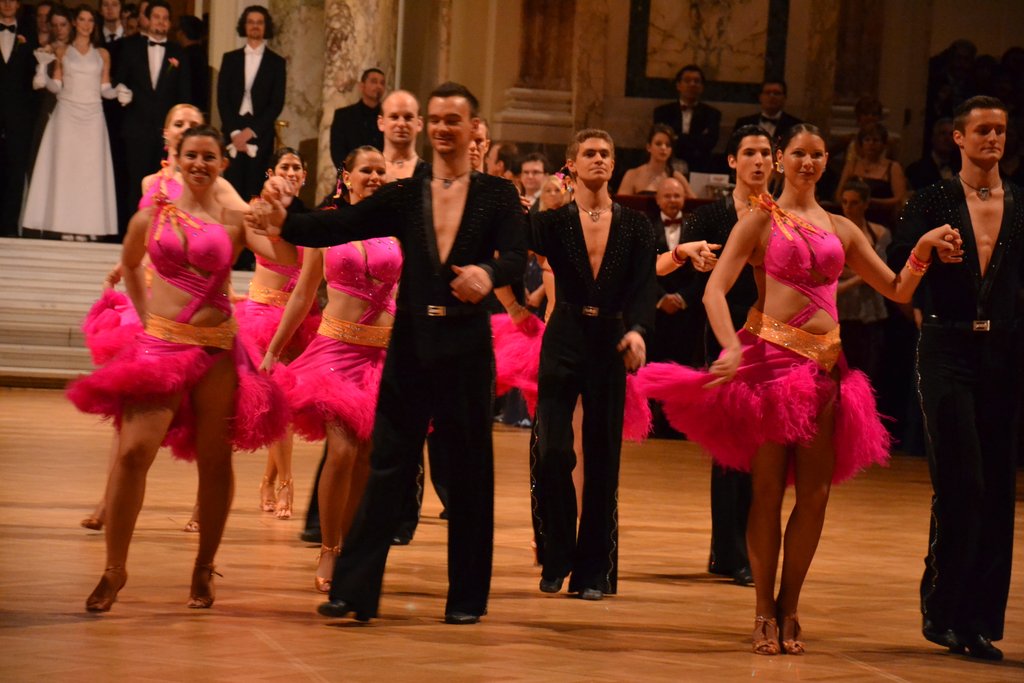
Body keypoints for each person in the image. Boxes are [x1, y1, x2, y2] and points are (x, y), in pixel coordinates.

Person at [639, 123, 960, 655]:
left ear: (827, 161)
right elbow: (715, 291)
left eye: (817, 154)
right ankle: (763, 610)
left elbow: (897, 288)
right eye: (798, 154)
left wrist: (922, 248)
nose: (808, 163)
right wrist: (731, 346)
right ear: (781, 160)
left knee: (815, 496)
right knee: (766, 492)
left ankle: (790, 607)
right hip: (769, 365)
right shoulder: (759, 219)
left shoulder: (841, 228)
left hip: (828, 369)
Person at [250, 81, 527, 624]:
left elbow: (516, 256)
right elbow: (338, 225)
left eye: (454, 119)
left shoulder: (496, 195)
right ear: (428, 126)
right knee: (386, 466)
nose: (444, 127)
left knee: (470, 471)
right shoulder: (406, 194)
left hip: (467, 344)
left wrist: (488, 271)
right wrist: (286, 217)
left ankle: (466, 600)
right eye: (437, 118)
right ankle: (354, 591)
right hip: (412, 342)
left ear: (473, 128)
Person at [67, 125, 295, 612]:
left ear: (222, 164)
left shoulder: (235, 217)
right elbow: (131, 263)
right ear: (175, 158)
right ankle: (114, 570)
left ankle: (203, 566)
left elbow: (284, 258)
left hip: (217, 351)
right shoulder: (151, 214)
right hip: (161, 346)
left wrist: (279, 219)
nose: (199, 164)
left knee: (215, 460)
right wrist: (146, 315)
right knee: (133, 453)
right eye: (191, 155)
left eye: (209, 156)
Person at [531, 128, 712, 602]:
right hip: (564, 336)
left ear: (613, 164)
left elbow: (643, 285)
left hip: (610, 340)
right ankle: (557, 554)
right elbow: (512, 242)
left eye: (605, 154)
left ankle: (592, 573)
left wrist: (639, 331)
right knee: (552, 452)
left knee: (603, 458)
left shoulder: (635, 224)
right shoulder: (553, 222)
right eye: (588, 153)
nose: (598, 159)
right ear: (572, 165)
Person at [893, 96, 1023, 662]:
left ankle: (979, 622)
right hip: (946, 345)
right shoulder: (931, 200)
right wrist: (926, 248)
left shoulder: (1021, 203)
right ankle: (943, 610)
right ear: (959, 138)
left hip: (1005, 350)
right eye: (983, 130)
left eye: (1001, 130)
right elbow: (899, 268)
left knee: (997, 488)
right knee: (962, 482)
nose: (993, 138)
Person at [263, 145, 401, 593]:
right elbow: (304, 294)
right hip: (337, 354)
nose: (375, 177)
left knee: (366, 458)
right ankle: (329, 547)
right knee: (341, 452)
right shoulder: (326, 225)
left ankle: (351, 548)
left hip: (382, 356)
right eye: (367, 170)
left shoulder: (398, 227)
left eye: (381, 171)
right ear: (347, 176)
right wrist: (273, 349)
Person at [680, 125, 776, 587]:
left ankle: (744, 548)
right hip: (725, 331)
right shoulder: (710, 217)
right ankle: (731, 552)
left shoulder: (785, 215)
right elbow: (690, 279)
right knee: (731, 445)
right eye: (749, 153)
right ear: (732, 162)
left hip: (774, 334)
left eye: (765, 153)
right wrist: (694, 261)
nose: (758, 161)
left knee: (764, 446)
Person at [235, 147, 318, 520]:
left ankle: (270, 480)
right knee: (275, 401)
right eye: (284, 166)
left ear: (304, 175)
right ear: (271, 173)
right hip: (261, 315)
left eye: (297, 167)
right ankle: (286, 482)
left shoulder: (311, 217)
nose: (291, 172)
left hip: (298, 318)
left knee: (285, 406)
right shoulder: (257, 210)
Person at [23, 7, 119, 241]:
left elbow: (105, 89)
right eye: (82, 20)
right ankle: (64, 224)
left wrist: (120, 91)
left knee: (90, 172)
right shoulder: (63, 50)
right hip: (67, 114)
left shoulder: (102, 54)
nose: (86, 24)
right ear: (75, 22)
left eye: (90, 20)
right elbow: (57, 86)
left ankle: (87, 226)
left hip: (93, 116)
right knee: (66, 170)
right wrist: (43, 76)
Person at [113, 0, 191, 215]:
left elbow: (185, 94)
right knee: (136, 183)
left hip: (168, 133)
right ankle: (136, 228)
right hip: (136, 128)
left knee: (168, 183)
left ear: (170, 23)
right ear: (147, 20)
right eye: (156, 17)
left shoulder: (179, 52)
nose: (161, 22)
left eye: (165, 18)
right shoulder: (131, 48)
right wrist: (122, 91)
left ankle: (164, 227)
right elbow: (118, 81)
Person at [217, 5, 285, 201]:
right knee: (231, 190)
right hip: (233, 133)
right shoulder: (230, 59)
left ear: (266, 27)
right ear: (244, 26)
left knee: (257, 190)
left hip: (260, 135)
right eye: (251, 22)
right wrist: (235, 133)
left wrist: (251, 132)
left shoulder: (277, 63)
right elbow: (222, 99)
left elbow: (276, 103)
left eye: (259, 22)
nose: (255, 26)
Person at [836, 180, 890, 383]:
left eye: (854, 202)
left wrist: (849, 274)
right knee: (840, 373)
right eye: (844, 202)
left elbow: (881, 270)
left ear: (866, 204)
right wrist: (865, 274)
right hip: (842, 310)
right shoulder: (832, 231)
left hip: (870, 311)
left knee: (868, 374)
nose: (848, 207)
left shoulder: (879, 232)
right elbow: (832, 269)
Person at [0, 0, 39, 236]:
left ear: (18, 5)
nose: (7, 4)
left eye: (12, 0)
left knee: (16, 171)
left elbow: (32, 78)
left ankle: (8, 228)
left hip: (19, 116)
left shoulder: (29, 36)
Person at [652, 64, 722, 173]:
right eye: (687, 80)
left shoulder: (712, 114)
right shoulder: (662, 112)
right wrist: (695, 139)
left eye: (696, 81)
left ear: (702, 87)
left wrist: (678, 137)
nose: (692, 84)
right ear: (678, 85)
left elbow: (709, 143)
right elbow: (662, 141)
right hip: (667, 165)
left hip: (700, 167)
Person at [835, 123, 907, 225]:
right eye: (867, 140)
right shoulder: (852, 165)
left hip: (880, 218)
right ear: (861, 143)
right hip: (851, 218)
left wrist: (870, 202)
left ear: (884, 144)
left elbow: (899, 199)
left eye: (876, 140)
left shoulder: (893, 167)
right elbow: (839, 195)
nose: (871, 144)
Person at [616, 124, 695, 197]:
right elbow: (621, 205)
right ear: (649, 147)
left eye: (668, 145)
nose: (663, 148)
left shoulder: (677, 177)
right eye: (658, 143)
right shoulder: (632, 175)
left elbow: (695, 204)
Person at [329, 67, 385, 170]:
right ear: (362, 86)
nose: (379, 86)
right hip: (351, 174)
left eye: (382, 83)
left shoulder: (388, 117)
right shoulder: (343, 116)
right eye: (374, 82)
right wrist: (347, 175)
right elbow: (337, 153)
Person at [732, 80, 802, 147]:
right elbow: (732, 150)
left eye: (777, 93)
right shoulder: (743, 123)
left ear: (784, 98)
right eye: (767, 92)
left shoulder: (796, 126)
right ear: (760, 97)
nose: (772, 96)